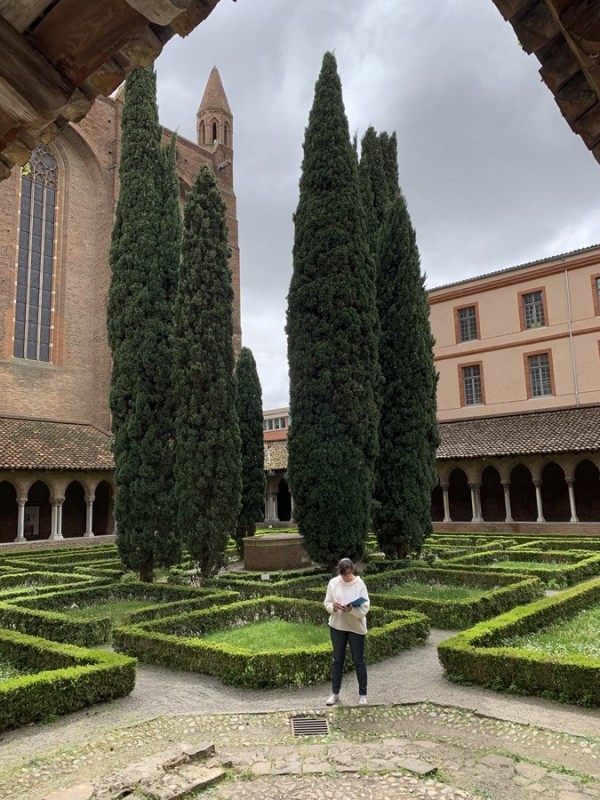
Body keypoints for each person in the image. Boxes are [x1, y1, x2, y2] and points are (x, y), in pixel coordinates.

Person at [323, 557, 370, 706]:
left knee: (359, 661)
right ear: (340, 572)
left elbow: (365, 607)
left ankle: (363, 694)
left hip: (356, 627)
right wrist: (334, 607)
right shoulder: (333, 583)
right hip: (337, 626)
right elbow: (327, 602)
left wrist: (351, 609)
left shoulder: (359, 584)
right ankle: (335, 693)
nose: (346, 577)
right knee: (337, 661)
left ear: (352, 570)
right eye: (344, 575)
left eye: (349, 574)